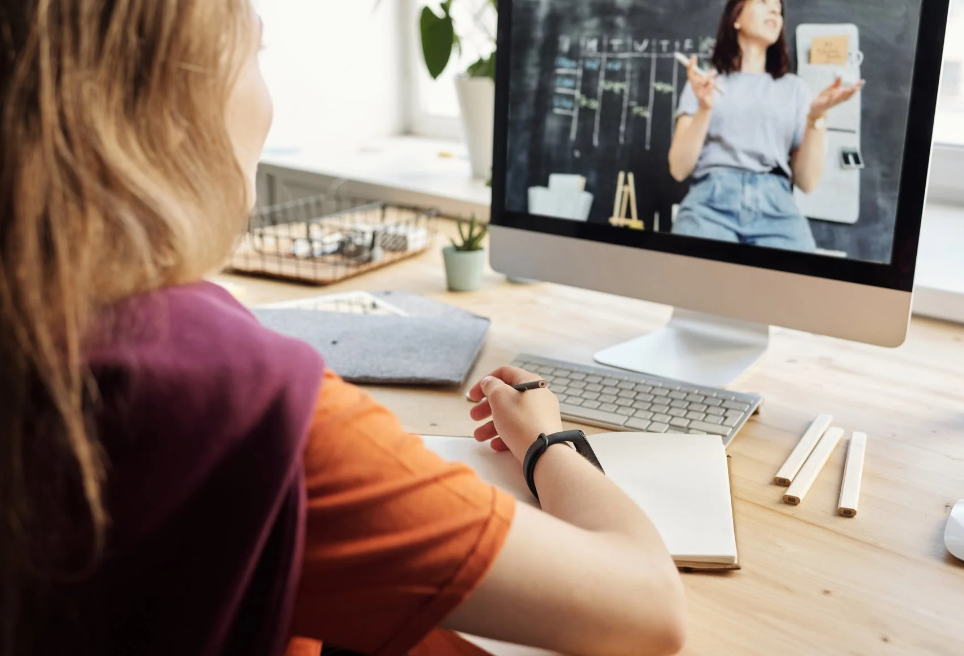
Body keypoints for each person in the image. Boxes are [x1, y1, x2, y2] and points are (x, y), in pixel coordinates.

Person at [0, 2, 687, 656]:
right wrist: (547, 439)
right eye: (256, 51)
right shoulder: (241, 401)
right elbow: (650, 610)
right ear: (167, 99)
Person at [668, 0, 864, 251]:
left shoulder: (794, 89)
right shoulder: (706, 81)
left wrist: (816, 117)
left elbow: (807, 182)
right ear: (735, 18)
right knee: (694, 284)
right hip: (710, 201)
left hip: (776, 204)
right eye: (763, 2)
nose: (774, 10)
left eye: (778, 8)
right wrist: (706, 107)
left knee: (800, 285)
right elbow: (678, 168)